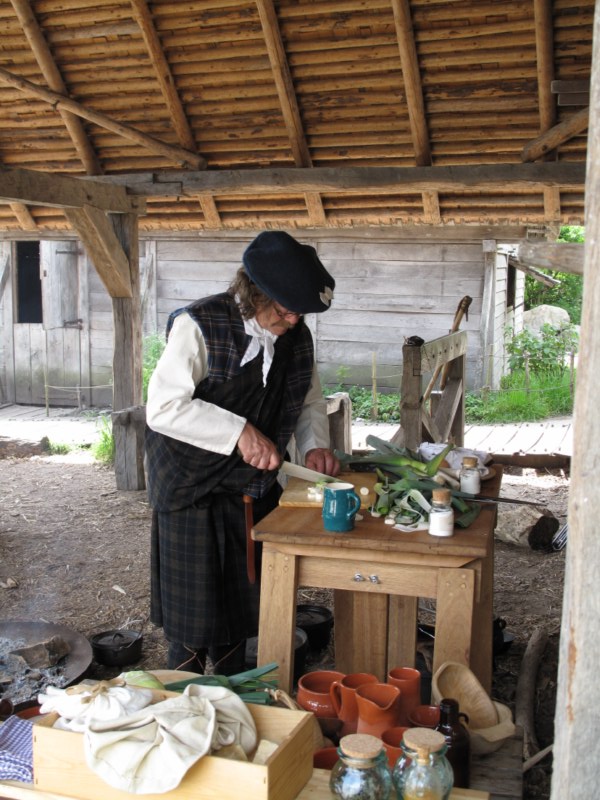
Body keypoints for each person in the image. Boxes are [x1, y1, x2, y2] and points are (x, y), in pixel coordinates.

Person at [145, 230, 340, 675]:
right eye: (285, 309)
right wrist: (239, 432)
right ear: (255, 294)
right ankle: (183, 690)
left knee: (238, 603)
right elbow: (164, 408)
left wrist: (315, 448)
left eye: (300, 313)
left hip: (250, 487)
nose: (293, 321)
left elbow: (308, 401)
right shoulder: (198, 325)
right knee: (193, 616)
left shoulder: (297, 337)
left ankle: (234, 688)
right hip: (188, 484)